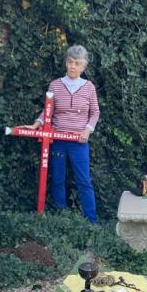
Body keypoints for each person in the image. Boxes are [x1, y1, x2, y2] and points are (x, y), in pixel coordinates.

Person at [25, 45, 100, 224]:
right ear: (66, 63)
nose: (73, 66)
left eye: (78, 64)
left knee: (84, 181)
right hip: (58, 140)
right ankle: (61, 219)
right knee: (58, 178)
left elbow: (95, 112)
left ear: (83, 67)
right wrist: (37, 124)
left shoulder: (89, 87)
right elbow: (47, 111)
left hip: (79, 142)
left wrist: (87, 130)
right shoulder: (55, 85)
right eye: (70, 62)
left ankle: (92, 221)